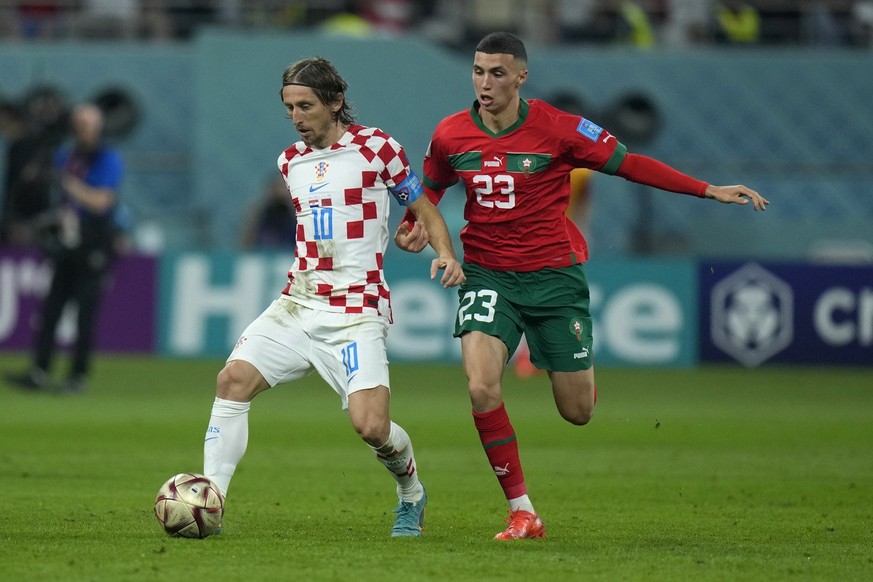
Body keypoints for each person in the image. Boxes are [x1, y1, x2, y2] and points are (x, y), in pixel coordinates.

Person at [394, 31, 768, 540]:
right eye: (479, 71)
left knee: (577, 411)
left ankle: (576, 367)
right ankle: (523, 512)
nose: (485, 82)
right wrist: (418, 227)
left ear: (522, 77)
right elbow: (431, 190)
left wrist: (708, 190)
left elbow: (631, 164)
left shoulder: (562, 130)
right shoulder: (450, 134)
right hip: (486, 272)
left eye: (498, 72)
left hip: (553, 278)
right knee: (481, 387)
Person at [202, 56, 465, 538]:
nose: (297, 117)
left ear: (335, 102)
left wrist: (446, 253)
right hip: (298, 303)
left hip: (355, 310)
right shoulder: (290, 162)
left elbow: (421, 207)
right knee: (232, 380)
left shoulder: (376, 148)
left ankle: (412, 494)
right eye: (289, 108)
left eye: (305, 106)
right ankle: (210, 500)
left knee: (371, 426)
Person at [5, 103, 124, 394]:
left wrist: (70, 185)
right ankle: (39, 371)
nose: (81, 128)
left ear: (98, 127)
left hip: (93, 240)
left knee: (85, 313)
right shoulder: (63, 155)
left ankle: (77, 377)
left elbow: (102, 202)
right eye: (78, 122)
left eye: (87, 123)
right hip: (65, 240)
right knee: (51, 309)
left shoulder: (107, 159)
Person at [239, 174, 297, 250]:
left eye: (284, 188)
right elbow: (244, 245)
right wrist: (253, 218)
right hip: (262, 255)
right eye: (276, 188)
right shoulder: (261, 216)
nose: (279, 193)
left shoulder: (296, 217)